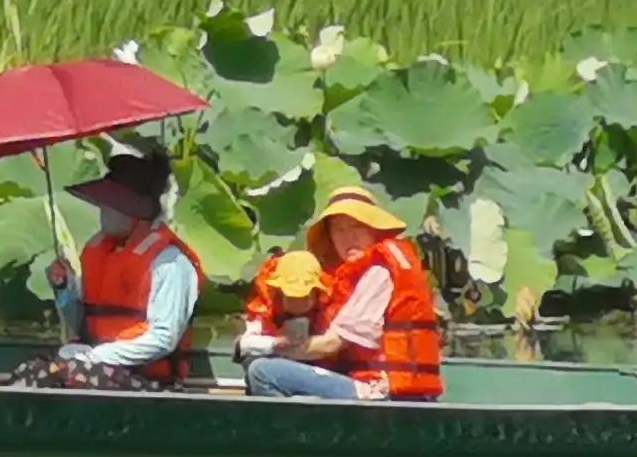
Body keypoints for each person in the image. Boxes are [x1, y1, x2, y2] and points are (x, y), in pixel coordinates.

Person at [241, 185, 443, 401]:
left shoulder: (379, 272)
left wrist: (271, 348)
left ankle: (297, 434)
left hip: (380, 391)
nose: (349, 237)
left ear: (373, 229)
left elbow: (331, 344)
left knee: (262, 372)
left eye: (357, 227)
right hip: (362, 382)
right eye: (339, 230)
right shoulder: (346, 277)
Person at [49, 144, 205, 386]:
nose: (103, 212)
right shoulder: (101, 250)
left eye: (110, 205)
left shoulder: (170, 263)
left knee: (76, 380)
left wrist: (95, 358)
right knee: (34, 372)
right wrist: (63, 290)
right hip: (93, 366)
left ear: (136, 211)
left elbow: (164, 339)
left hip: (147, 379)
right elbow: (83, 323)